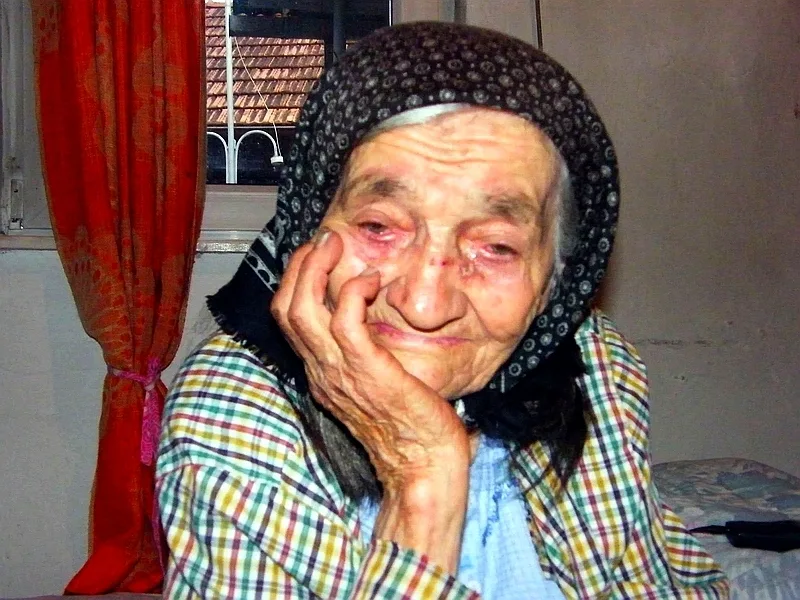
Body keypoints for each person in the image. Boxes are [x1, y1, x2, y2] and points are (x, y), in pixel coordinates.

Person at [156, 21, 728, 599]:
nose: (426, 306)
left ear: (555, 281)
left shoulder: (593, 364)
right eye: (378, 227)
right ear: (308, 227)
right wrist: (422, 478)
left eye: (496, 247)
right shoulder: (232, 413)